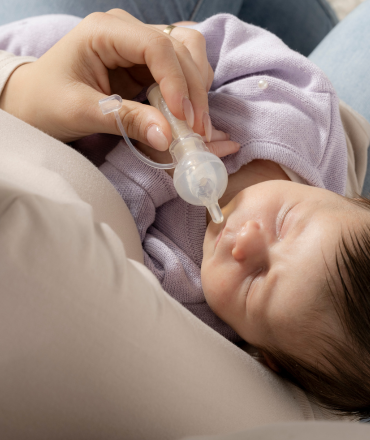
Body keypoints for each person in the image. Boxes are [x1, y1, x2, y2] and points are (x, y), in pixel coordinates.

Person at [0, 2, 370, 439]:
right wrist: (189, 47)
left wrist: (155, 168)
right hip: (102, 50)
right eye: (286, 222)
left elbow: (113, 217)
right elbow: (249, 51)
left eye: (256, 279)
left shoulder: (183, 287)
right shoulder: (304, 125)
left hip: (50, 100)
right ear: (336, 194)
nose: (244, 240)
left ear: (263, 356)